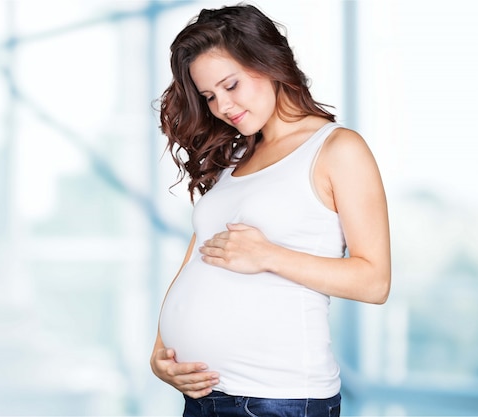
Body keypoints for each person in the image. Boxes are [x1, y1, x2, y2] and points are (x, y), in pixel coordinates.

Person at [150, 3, 391, 417]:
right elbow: (199, 256)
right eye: (209, 96)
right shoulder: (237, 157)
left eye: (231, 85)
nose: (222, 106)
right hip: (204, 395)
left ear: (269, 62)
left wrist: (269, 256)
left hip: (276, 398)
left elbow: (375, 281)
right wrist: (161, 351)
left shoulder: (336, 149)